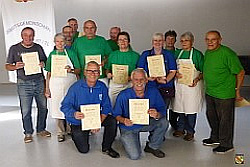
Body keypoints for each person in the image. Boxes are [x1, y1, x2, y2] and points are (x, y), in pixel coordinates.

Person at [60, 61, 120, 158]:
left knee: (112, 121)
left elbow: (106, 106)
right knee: (84, 150)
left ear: (99, 73)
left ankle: (107, 147)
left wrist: (98, 121)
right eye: (90, 71)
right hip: (79, 121)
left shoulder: (102, 86)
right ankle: (79, 133)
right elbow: (64, 106)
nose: (93, 74)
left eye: (96, 71)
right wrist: (74, 113)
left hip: (96, 117)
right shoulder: (75, 87)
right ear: (85, 72)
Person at [5, 27, 51, 143]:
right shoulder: (14, 49)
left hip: (39, 81)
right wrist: (15, 66)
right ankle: (28, 133)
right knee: (26, 110)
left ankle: (41, 129)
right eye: (26, 35)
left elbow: (46, 62)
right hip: (23, 83)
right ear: (22, 36)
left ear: (34, 36)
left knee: (43, 107)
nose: (28, 38)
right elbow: (7, 66)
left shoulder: (38, 47)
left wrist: (43, 64)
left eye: (31, 35)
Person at [202, 30, 245, 154]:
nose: (210, 42)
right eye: (207, 39)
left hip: (225, 93)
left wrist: (237, 91)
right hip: (210, 92)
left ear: (220, 40)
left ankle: (226, 144)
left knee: (225, 119)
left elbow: (240, 72)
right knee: (212, 116)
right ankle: (215, 137)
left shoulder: (228, 53)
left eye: (213, 39)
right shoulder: (208, 52)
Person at [113, 68, 168, 160]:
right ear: (131, 80)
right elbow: (116, 115)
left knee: (164, 122)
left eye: (142, 79)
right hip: (129, 127)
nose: (139, 82)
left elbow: (162, 110)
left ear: (146, 80)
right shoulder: (123, 95)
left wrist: (157, 114)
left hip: (146, 123)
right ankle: (127, 140)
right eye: (136, 79)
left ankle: (152, 146)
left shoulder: (153, 92)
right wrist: (123, 120)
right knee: (135, 156)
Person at [44, 33, 80, 142]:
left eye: (62, 41)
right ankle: (60, 132)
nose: (60, 44)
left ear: (65, 42)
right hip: (55, 85)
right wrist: (47, 88)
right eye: (57, 41)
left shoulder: (71, 53)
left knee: (70, 105)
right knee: (57, 107)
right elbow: (49, 72)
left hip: (70, 83)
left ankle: (70, 129)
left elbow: (78, 70)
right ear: (55, 43)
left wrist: (71, 70)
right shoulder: (52, 54)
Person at [172, 32, 204, 141]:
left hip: (192, 87)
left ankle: (190, 131)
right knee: (180, 108)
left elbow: (203, 71)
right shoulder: (177, 53)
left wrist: (197, 79)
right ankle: (180, 129)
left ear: (192, 41)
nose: (184, 43)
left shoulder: (197, 54)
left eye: (186, 40)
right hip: (180, 86)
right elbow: (172, 69)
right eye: (182, 41)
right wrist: (175, 74)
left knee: (190, 109)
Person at [137, 32, 177, 119]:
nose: (157, 42)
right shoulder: (145, 54)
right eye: (155, 40)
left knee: (162, 111)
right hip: (149, 87)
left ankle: (162, 130)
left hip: (165, 87)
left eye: (160, 40)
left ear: (163, 42)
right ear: (152, 42)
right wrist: (147, 78)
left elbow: (173, 71)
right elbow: (140, 70)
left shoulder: (169, 54)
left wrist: (165, 80)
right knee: (150, 110)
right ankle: (152, 130)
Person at [72, 19, 112, 86]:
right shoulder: (78, 41)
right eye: (87, 28)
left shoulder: (102, 40)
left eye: (92, 28)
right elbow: (73, 58)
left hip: (100, 77)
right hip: (83, 77)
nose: (89, 30)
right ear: (84, 29)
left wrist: (104, 61)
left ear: (96, 29)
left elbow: (110, 55)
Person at [105, 31, 140, 106]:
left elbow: (140, 72)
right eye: (120, 40)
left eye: (125, 39)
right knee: (112, 103)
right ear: (117, 42)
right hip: (115, 84)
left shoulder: (136, 56)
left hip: (130, 83)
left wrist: (131, 78)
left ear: (129, 42)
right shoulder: (112, 55)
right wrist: (108, 74)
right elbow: (107, 68)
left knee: (129, 105)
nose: (123, 42)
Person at [164, 30, 180, 130]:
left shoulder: (179, 52)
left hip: (178, 82)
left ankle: (174, 124)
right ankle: (163, 125)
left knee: (176, 104)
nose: (170, 41)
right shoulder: (160, 52)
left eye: (172, 39)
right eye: (168, 39)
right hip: (164, 83)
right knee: (164, 104)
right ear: (165, 40)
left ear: (175, 40)